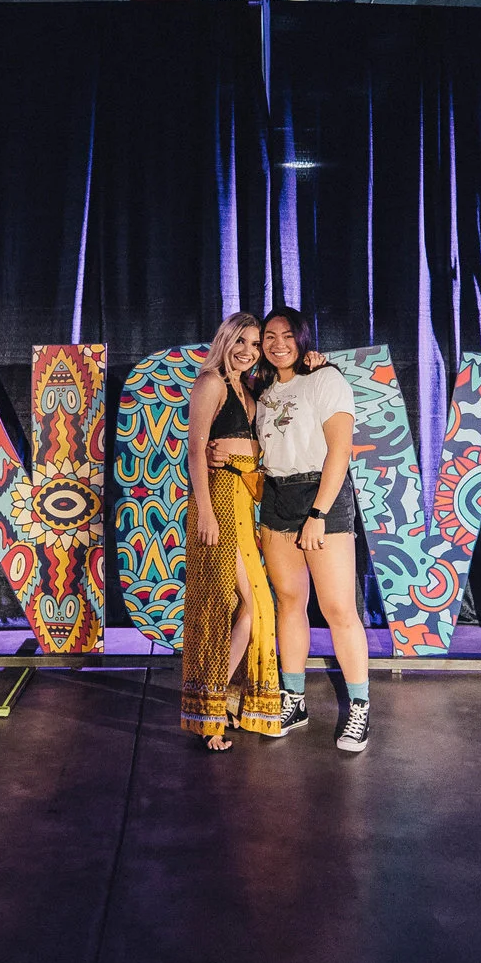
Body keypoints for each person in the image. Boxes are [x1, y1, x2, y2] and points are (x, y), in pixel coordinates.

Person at [251, 308, 375, 753]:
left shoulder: (327, 380)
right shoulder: (262, 390)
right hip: (277, 497)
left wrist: (319, 514)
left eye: (287, 335)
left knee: (338, 606)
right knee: (289, 602)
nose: (277, 343)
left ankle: (359, 706)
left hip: (320, 495)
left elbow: (340, 450)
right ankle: (294, 698)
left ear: (302, 339)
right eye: (269, 336)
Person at [179, 313, 282, 749]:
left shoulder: (250, 388)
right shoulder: (212, 383)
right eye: (240, 341)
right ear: (225, 340)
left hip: (243, 505)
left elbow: (263, 445)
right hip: (218, 504)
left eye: (255, 344)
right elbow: (196, 451)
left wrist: (246, 447)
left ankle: (225, 702)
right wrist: (205, 512)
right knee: (240, 606)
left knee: (254, 608)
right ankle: (212, 711)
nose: (248, 350)